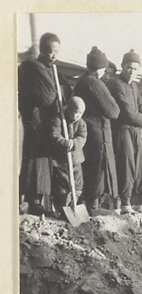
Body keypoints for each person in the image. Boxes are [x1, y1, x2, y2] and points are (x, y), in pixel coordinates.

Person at [18, 32, 62, 216]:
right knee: (33, 160)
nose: (55, 55)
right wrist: (56, 92)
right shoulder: (35, 68)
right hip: (34, 120)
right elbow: (48, 96)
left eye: (57, 52)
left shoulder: (49, 68)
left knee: (43, 160)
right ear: (43, 50)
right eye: (52, 51)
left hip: (43, 122)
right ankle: (31, 201)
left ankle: (38, 200)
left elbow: (60, 92)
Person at [73, 46, 120, 214]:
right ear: (100, 67)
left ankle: (85, 205)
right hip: (97, 132)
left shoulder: (81, 81)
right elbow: (113, 111)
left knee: (87, 167)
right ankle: (93, 206)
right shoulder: (94, 83)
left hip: (85, 130)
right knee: (97, 166)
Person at [107, 49, 142, 214]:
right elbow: (127, 112)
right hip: (123, 130)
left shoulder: (134, 86)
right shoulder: (116, 84)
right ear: (122, 66)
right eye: (129, 68)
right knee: (127, 167)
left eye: (135, 69)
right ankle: (126, 204)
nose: (132, 72)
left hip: (135, 131)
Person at [48, 96, 87, 217]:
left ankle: (73, 206)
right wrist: (65, 143)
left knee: (78, 186)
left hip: (76, 160)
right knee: (62, 187)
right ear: (69, 109)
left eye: (80, 113)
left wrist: (74, 143)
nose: (77, 116)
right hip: (61, 161)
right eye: (75, 112)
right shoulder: (59, 119)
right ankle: (62, 209)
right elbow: (54, 135)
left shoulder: (81, 123)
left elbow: (82, 137)